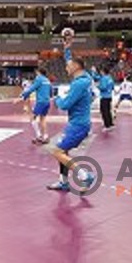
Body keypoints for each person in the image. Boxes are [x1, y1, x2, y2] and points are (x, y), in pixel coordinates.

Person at [47, 41, 95, 193]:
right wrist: (67, 48)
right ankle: (63, 182)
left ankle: (84, 175)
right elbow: (70, 61)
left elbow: (65, 105)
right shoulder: (86, 77)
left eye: (68, 66)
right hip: (80, 123)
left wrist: (57, 98)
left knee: (57, 151)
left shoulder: (78, 85)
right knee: (64, 151)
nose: (66, 67)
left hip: (78, 125)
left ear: (75, 67)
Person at [14, 66, 52, 144]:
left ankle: (38, 136)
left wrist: (20, 98)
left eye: (36, 72)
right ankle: (45, 136)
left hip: (40, 102)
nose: (36, 74)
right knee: (43, 118)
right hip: (47, 102)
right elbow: (51, 92)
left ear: (39, 72)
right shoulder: (47, 80)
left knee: (33, 118)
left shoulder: (39, 79)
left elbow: (31, 89)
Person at [91, 66, 115, 131]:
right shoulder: (110, 78)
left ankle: (107, 125)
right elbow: (113, 87)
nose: (100, 72)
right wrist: (93, 72)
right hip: (109, 96)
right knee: (108, 110)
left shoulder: (104, 78)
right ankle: (110, 124)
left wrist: (97, 86)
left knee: (104, 111)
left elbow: (103, 87)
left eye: (101, 71)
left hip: (104, 97)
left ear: (103, 72)